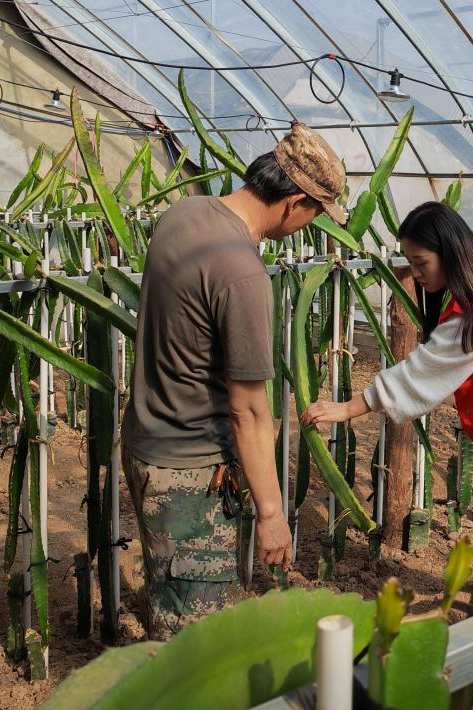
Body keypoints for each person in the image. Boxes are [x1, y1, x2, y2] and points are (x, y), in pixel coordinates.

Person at [121, 123, 348, 638]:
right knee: (191, 639)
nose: (309, 225)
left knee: (168, 590)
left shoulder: (184, 214)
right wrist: (271, 513)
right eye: (315, 214)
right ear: (294, 203)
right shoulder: (242, 273)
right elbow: (249, 411)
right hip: (189, 472)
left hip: (145, 444)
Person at [301, 202, 473, 595]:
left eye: (421, 262)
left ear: (449, 252)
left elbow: (419, 374)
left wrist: (347, 408)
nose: (414, 273)